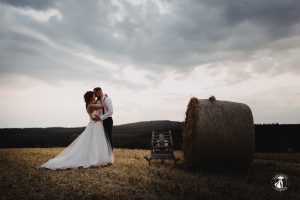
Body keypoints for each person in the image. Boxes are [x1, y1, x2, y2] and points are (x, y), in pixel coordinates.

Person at [40, 91, 114, 170]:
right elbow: (102, 105)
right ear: (90, 97)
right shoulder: (91, 106)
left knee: (96, 142)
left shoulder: (91, 104)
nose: (95, 96)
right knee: (94, 142)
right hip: (95, 125)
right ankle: (94, 159)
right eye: (93, 95)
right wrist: (102, 97)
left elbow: (98, 105)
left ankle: (98, 158)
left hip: (97, 125)